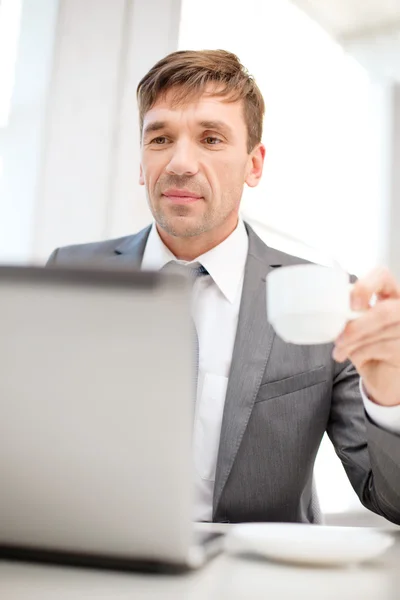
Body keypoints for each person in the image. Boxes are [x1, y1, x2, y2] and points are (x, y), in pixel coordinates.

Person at [47, 50, 400, 525]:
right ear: (140, 161)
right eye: (160, 138)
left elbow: (392, 499)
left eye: (211, 139)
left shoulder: (326, 298)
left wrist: (390, 396)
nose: (180, 163)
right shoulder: (69, 278)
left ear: (254, 165)